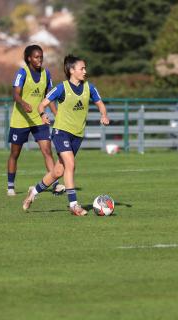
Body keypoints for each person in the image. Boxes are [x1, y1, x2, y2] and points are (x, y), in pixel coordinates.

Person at [22, 54, 110, 216]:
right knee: (71, 165)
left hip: (77, 135)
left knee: (58, 172)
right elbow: (42, 105)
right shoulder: (62, 88)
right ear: (71, 70)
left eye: (85, 68)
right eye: (82, 68)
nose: (85, 71)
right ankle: (74, 205)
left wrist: (103, 115)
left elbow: (100, 104)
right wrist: (43, 114)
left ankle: (33, 192)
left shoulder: (89, 87)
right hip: (61, 132)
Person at [7, 45, 65, 196]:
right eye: (36, 57)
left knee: (47, 151)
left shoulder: (46, 74)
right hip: (21, 120)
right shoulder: (22, 72)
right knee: (15, 153)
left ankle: (55, 184)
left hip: (39, 119)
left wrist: (56, 113)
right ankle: (10, 186)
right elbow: (15, 94)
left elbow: (49, 97)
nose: (39, 59)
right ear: (29, 58)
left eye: (41, 57)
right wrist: (23, 103)